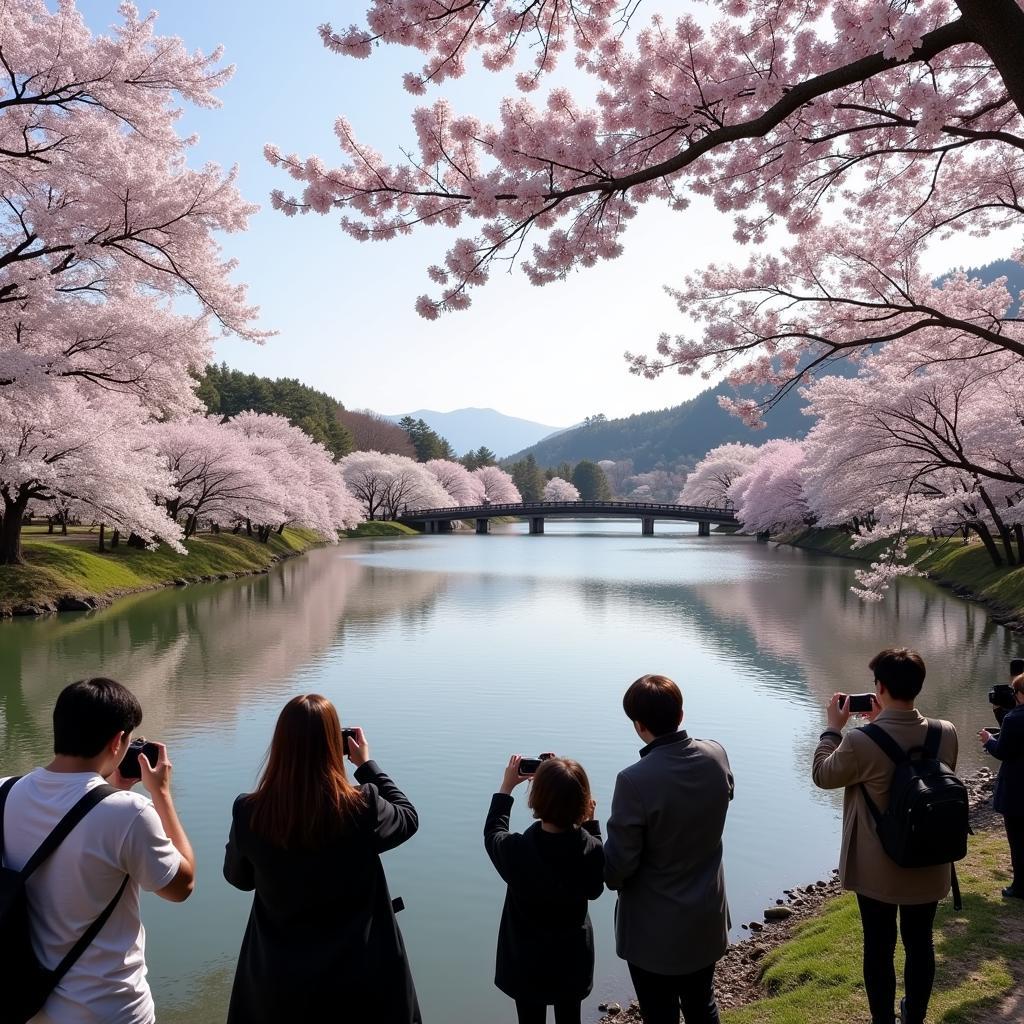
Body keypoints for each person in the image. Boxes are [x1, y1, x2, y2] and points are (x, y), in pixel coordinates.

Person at [0, 677, 195, 1024]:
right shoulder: (129, 814)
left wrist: (105, 789)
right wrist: (161, 796)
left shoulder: (3, 794)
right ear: (118, 741)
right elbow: (181, 886)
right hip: (109, 1009)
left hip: (24, 1004)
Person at [223, 694, 420, 1024]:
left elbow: (239, 879)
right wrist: (367, 766)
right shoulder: (363, 806)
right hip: (360, 981)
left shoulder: (250, 812)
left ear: (280, 743)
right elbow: (408, 818)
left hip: (280, 985)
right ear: (335, 744)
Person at [812, 648, 958, 1024]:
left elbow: (823, 775)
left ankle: (883, 1020)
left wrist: (832, 729)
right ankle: (915, 1016)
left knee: (879, 947)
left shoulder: (861, 742)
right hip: (929, 860)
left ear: (879, 687)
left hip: (878, 869)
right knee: (920, 942)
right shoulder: (946, 732)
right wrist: (884, 722)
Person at [604, 674, 734, 1024]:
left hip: (654, 932)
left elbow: (616, 870)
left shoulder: (633, 781)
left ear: (638, 725)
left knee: (659, 1014)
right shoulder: (716, 755)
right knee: (702, 1005)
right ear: (681, 714)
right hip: (706, 917)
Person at [484, 754, 605, 1024]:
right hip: (571, 962)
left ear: (535, 800)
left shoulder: (516, 851)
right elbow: (595, 888)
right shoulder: (590, 849)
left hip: (525, 964)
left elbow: (493, 831)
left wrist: (506, 788)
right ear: (584, 804)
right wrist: (591, 826)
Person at [980, 671, 1024, 899]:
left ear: (1020, 694)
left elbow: (1003, 751)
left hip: (1018, 788)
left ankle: (1020, 886)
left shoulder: (1014, 719)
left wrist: (989, 741)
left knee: (1017, 839)